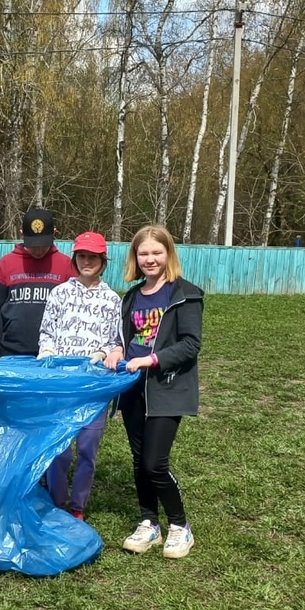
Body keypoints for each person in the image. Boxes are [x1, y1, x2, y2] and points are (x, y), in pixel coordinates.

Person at [103, 225, 203, 560]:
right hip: (133, 388)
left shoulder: (186, 294)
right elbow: (124, 337)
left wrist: (152, 359)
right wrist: (117, 352)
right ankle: (149, 522)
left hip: (167, 387)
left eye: (156, 252)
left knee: (154, 462)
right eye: (143, 253)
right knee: (138, 460)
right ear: (135, 257)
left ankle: (179, 526)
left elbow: (190, 344)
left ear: (168, 254)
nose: (150, 259)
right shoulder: (131, 297)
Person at [37, 231, 123, 520]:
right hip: (61, 383)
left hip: (93, 384)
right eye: (82, 256)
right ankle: (56, 501)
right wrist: (48, 355)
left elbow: (115, 340)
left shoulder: (112, 299)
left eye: (93, 257)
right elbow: (47, 332)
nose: (87, 262)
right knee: (59, 448)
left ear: (103, 261)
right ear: (75, 258)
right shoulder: (60, 293)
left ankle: (78, 507)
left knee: (88, 446)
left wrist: (105, 353)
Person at [0, 206, 75, 358]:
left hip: (54, 354)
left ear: (54, 233)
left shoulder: (67, 266)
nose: (38, 250)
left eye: (43, 244)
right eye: (33, 245)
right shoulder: (6, 265)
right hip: (10, 355)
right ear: (22, 234)